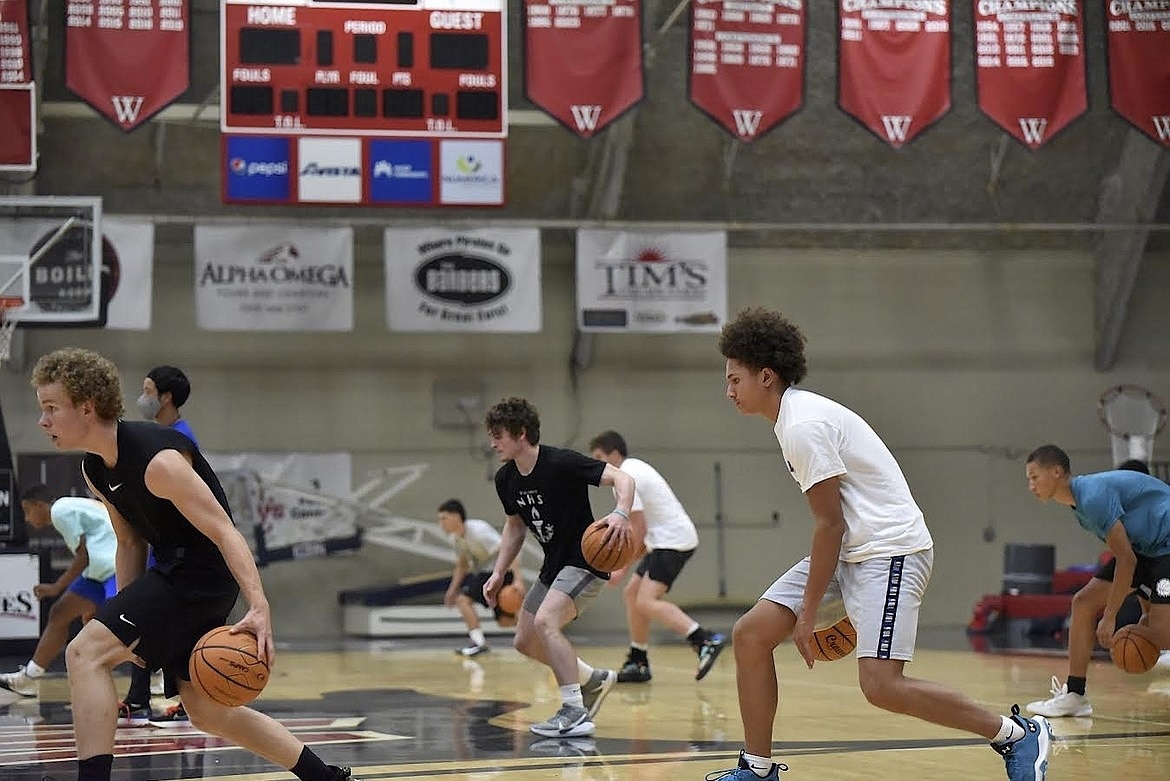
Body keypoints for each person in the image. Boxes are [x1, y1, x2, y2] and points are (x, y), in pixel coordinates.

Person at [710, 306, 1051, 781]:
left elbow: (829, 525)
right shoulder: (793, 419)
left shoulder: (804, 425)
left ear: (765, 376)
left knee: (881, 685)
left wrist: (808, 613)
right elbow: (836, 528)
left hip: (890, 551)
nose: (728, 391)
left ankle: (1016, 734)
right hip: (856, 548)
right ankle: (757, 767)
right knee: (750, 635)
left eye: (734, 379)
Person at [30, 347, 355, 781]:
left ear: (87, 408)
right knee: (207, 712)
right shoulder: (95, 468)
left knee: (83, 653)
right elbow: (129, 542)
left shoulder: (157, 460)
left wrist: (260, 605)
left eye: (52, 408)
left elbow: (225, 531)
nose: (43, 421)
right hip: (174, 573)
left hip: (200, 576)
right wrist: (125, 613)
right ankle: (325, 776)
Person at [481, 397, 635, 738]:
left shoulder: (562, 462)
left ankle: (573, 709)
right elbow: (515, 527)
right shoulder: (506, 479)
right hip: (555, 565)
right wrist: (498, 572)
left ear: (521, 434)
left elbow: (623, 480)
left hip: (584, 561)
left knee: (546, 621)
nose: (492, 443)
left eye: (498, 435)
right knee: (524, 640)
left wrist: (621, 513)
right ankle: (592, 680)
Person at [1024, 445, 1170, 718]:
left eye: (1034, 476)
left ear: (1056, 472)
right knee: (1083, 602)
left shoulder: (1091, 497)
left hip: (1167, 543)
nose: (1030, 485)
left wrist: (1111, 617)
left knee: (1161, 636)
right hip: (1149, 548)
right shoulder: (1078, 504)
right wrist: (1146, 608)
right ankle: (1075, 694)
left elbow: (1127, 561)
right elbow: (1131, 561)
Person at [587, 430, 728, 683]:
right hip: (662, 541)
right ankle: (638, 660)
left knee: (645, 601)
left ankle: (704, 639)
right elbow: (641, 533)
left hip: (672, 542)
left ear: (614, 454)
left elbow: (638, 529)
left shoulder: (627, 475)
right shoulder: (631, 470)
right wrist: (625, 566)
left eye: (600, 458)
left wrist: (620, 567)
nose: (598, 465)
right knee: (632, 594)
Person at [125, 365, 199, 727]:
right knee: (146, 622)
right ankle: (138, 698)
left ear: (165, 397)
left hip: (182, 553)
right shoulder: (158, 434)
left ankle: (180, 702)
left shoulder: (180, 440)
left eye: (148, 389)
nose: (143, 397)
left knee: (172, 627)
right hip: (162, 547)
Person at [0, 485, 117, 698]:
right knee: (60, 613)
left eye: (27, 511)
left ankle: (155, 675)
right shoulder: (69, 506)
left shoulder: (59, 511)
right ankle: (29, 678)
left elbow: (83, 557)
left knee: (125, 625)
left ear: (40, 505)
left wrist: (56, 587)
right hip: (100, 570)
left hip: (114, 567)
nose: (27, 519)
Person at [438, 498, 524, 656]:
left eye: (444, 518)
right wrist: (452, 589)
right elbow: (462, 564)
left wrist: (518, 579)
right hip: (487, 573)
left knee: (463, 600)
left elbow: (509, 548)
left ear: (456, 516)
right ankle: (539, 630)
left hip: (501, 571)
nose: (441, 523)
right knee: (505, 622)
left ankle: (478, 643)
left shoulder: (479, 531)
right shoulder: (455, 538)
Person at [138, 365, 198, 446]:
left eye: (148, 391)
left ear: (166, 397)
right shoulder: (161, 431)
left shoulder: (179, 437)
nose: (143, 398)